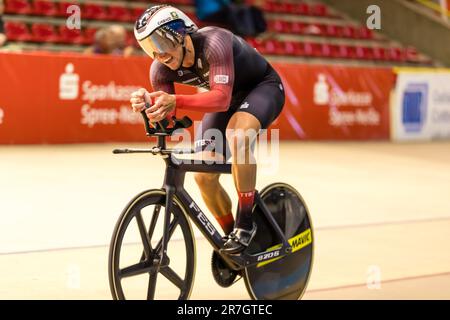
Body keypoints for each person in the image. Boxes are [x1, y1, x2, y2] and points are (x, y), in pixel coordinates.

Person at [130, 5, 285, 254]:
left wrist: (176, 101)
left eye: (159, 43)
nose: (157, 54)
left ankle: (246, 225)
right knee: (203, 175)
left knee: (238, 136)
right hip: (226, 98)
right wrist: (148, 104)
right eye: (149, 48)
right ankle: (230, 238)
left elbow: (221, 100)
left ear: (179, 33)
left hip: (261, 88)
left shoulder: (215, 41)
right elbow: (169, 120)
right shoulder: (160, 69)